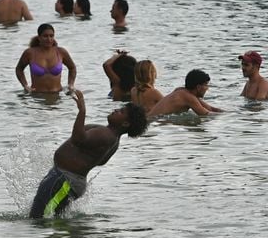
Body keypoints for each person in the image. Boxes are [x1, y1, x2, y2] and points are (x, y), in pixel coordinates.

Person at [28, 89, 147, 219]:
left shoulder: (105, 134)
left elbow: (78, 139)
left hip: (65, 180)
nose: (116, 110)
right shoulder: (113, 139)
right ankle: (67, 236)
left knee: (37, 216)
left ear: (125, 123)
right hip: (67, 180)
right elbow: (101, 161)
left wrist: (82, 111)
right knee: (54, 217)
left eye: (121, 112)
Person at [15, 23, 78, 93]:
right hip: (36, 97)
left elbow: (72, 68)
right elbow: (19, 69)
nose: (49, 39)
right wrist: (25, 86)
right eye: (45, 36)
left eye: (51, 36)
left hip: (58, 96)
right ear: (39, 37)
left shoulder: (61, 52)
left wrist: (71, 84)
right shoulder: (30, 53)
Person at [147, 69, 223, 117]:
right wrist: (226, 118)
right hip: (154, 121)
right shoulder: (187, 97)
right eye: (206, 84)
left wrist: (231, 113)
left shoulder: (184, 92)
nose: (207, 88)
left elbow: (210, 108)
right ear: (198, 87)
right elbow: (205, 114)